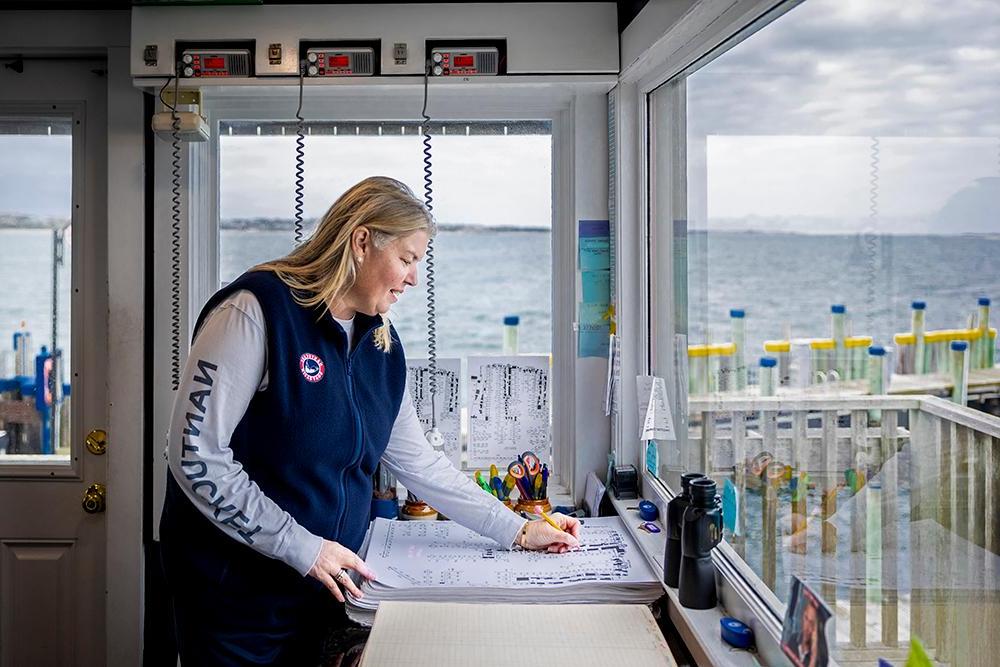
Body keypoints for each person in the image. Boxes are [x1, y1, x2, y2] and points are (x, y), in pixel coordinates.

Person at [160, 176, 581, 665]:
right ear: (361, 242)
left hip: (327, 595)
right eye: (406, 259)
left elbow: (422, 464)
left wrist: (519, 529)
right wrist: (304, 548)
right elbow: (195, 457)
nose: (413, 279)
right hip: (236, 599)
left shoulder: (381, 345)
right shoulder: (254, 312)